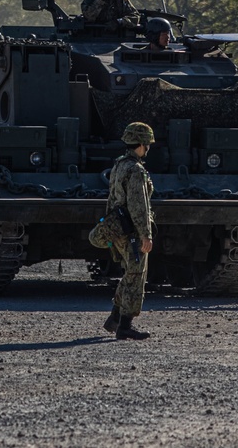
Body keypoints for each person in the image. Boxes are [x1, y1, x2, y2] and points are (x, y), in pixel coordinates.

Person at [88, 122, 156, 340]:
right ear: (142, 144)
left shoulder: (119, 165)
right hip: (132, 232)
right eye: (147, 144)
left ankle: (115, 318)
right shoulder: (136, 170)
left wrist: (110, 225)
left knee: (130, 273)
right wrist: (146, 234)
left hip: (117, 226)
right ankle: (125, 325)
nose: (148, 148)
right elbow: (139, 205)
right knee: (136, 276)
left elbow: (111, 199)